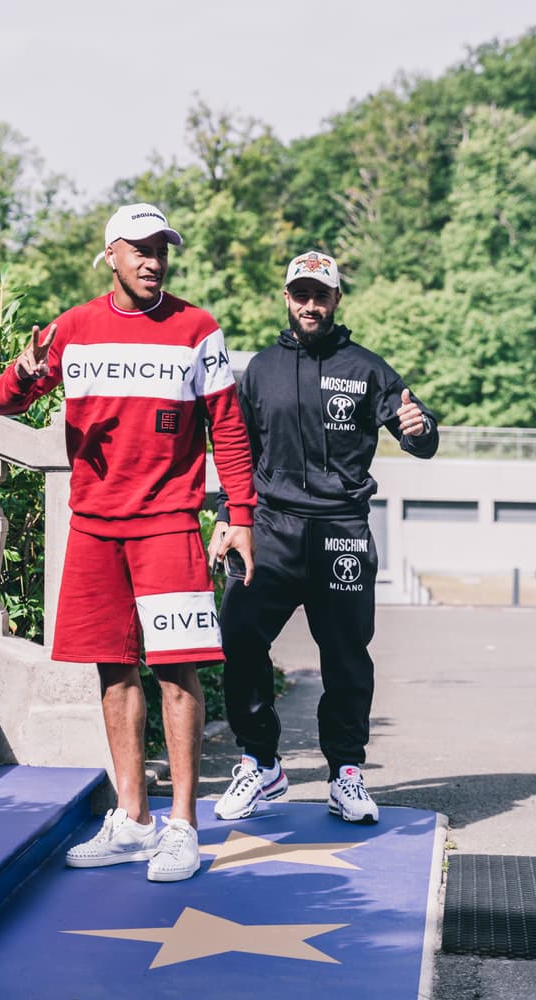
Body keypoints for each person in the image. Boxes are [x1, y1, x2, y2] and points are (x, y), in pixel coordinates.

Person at [0, 203, 256, 881]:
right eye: (138, 248)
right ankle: (134, 819)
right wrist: (25, 364)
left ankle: (184, 827)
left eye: (161, 248)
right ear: (109, 253)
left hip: (169, 524)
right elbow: (5, 403)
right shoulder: (73, 329)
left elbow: (227, 426)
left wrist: (241, 513)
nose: (152, 260)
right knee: (113, 669)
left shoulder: (198, 328)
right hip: (94, 526)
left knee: (177, 669)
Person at [210, 249, 439, 825]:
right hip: (269, 528)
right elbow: (240, 453)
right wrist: (225, 514)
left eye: (321, 295)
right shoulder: (259, 369)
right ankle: (262, 763)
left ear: (337, 300)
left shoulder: (366, 367)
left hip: (341, 530)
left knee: (345, 656)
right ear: (286, 299)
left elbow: (418, 431)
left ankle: (345, 774)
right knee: (238, 637)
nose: (311, 304)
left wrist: (421, 428)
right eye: (301, 294)